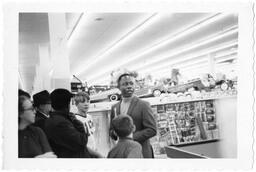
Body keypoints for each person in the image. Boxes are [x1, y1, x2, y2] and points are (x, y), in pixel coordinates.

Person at [110, 73, 157, 158]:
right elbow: (111, 130)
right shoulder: (115, 107)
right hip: (122, 154)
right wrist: (115, 133)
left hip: (141, 153)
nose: (129, 86)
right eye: (125, 84)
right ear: (119, 87)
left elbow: (152, 129)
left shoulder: (143, 105)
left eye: (131, 83)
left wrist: (129, 137)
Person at [44, 88, 91, 158]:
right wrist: (79, 124)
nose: (86, 104)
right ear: (68, 104)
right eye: (83, 102)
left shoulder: (59, 119)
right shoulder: (61, 123)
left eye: (87, 101)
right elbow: (81, 142)